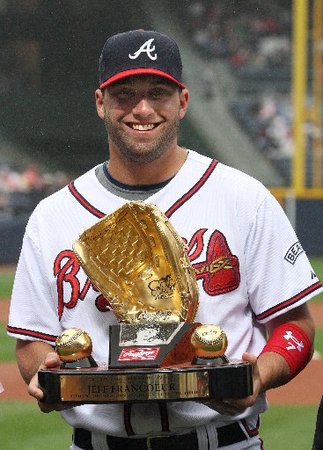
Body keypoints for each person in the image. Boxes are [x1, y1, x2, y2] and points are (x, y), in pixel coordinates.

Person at [7, 29, 322, 450]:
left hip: (223, 442)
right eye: (125, 94)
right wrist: (43, 373)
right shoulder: (52, 217)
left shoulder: (244, 198)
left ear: (183, 102)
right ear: (100, 103)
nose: (142, 108)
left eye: (158, 92)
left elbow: (296, 325)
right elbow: (32, 342)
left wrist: (261, 372)